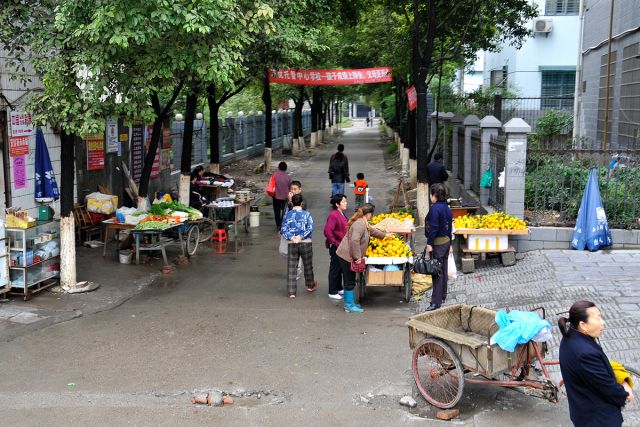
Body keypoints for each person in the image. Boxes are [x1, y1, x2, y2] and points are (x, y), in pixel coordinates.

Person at [559, 301, 633, 427]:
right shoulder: (585, 353)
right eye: (598, 318)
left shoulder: (570, 336)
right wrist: (625, 392)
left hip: (583, 412)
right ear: (583, 325)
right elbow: (608, 388)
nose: (602, 322)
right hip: (598, 419)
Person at [336, 203, 393, 313]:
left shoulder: (364, 222)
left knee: (350, 279)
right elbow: (354, 240)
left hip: (349, 254)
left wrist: (385, 236)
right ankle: (348, 305)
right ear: (369, 214)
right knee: (349, 280)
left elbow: (372, 231)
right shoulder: (360, 224)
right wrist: (357, 256)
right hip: (346, 255)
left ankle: (350, 302)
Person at [280, 194, 318, 298]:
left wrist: (292, 238)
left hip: (292, 244)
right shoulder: (307, 214)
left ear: (291, 202)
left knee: (292, 267)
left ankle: (291, 292)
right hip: (306, 243)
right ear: (302, 203)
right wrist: (301, 237)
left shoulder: (287, 215)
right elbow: (310, 228)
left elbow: (283, 229)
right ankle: (310, 285)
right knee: (308, 265)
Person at [424, 183, 452, 311]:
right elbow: (450, 226)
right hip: (446, 242)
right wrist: (450, 243)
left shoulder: (435, 208)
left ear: (435, 195)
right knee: (444, 270)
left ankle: (436, 302)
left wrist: (429, 243)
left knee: (437, 272)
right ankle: (443, 295)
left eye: (431, 194)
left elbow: (434, 227)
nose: (430, 197)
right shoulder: (446, 207)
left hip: (438, 244)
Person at [324, 194, 348, 300]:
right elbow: (327, 231)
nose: (346, 203)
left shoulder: (341, 213)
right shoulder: (334, 215)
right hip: (336, 246)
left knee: (340, 268)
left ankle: (338, 287)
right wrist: (334, 242)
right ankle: (332, 291)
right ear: (337, 204)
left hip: (341, 245)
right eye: (344, 202)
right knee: (335, 268)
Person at [272, 162, 292, 230]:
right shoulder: (288, 177)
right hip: (285, 198)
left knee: (277, 211)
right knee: (285, 211)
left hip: (276, 196)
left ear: (279, 167)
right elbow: (290, 187)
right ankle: (284, 224)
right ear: (286, 168)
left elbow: (271, 185)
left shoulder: (274, 175)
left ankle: (278, 224)